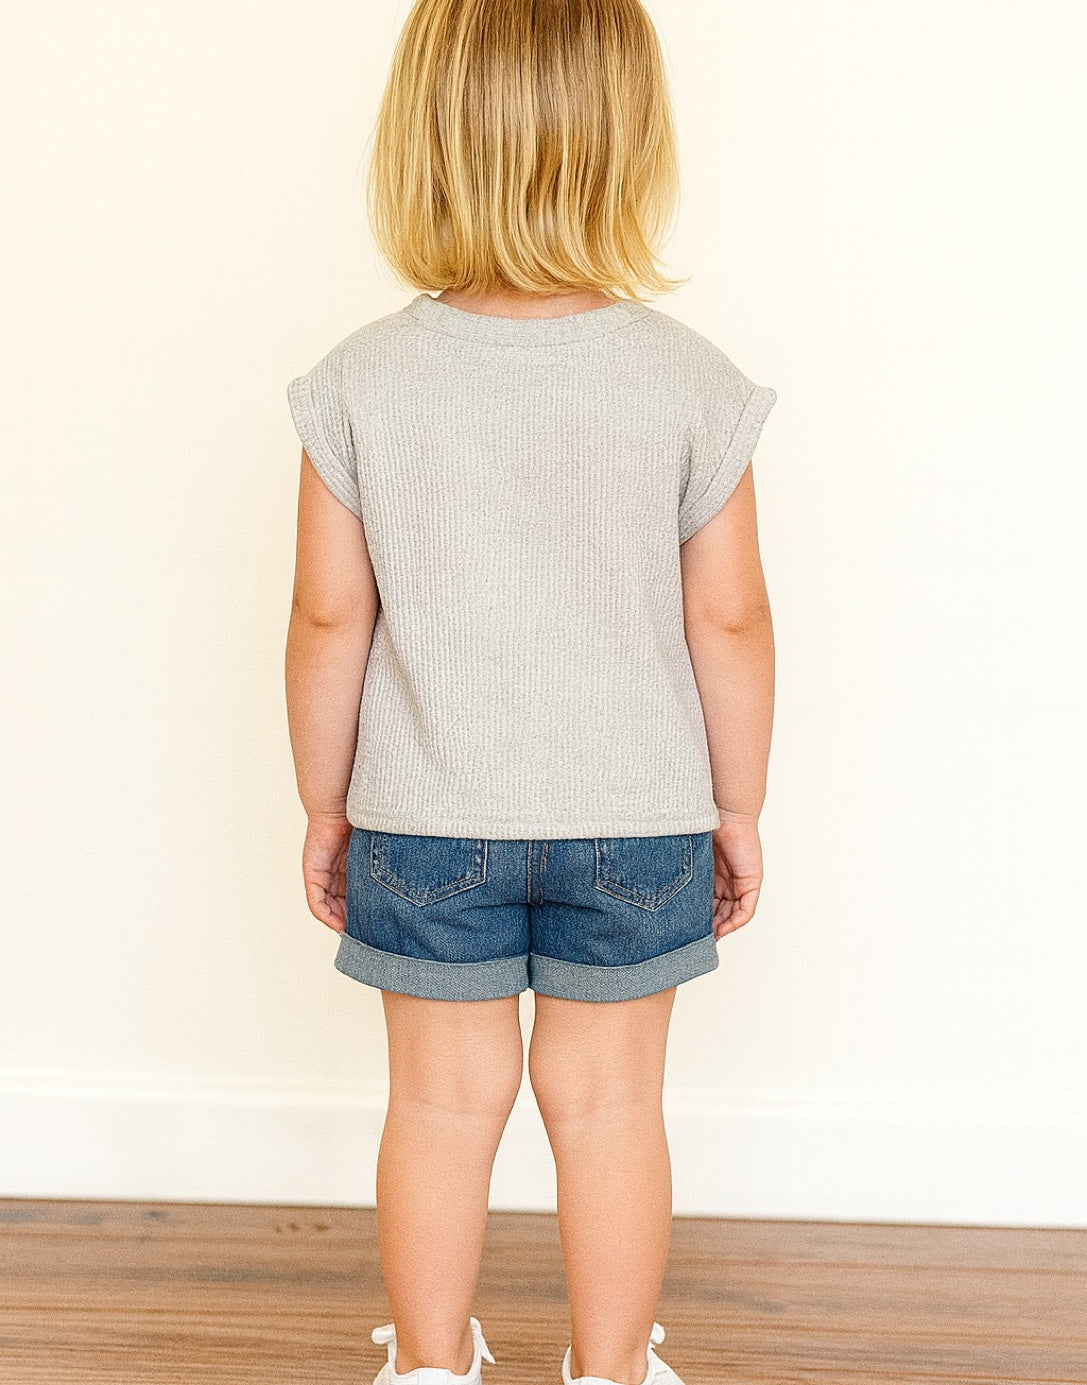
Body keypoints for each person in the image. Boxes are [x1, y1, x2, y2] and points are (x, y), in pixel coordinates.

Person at [284, 2, 777, 1383]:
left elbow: (331, 617)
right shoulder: (691, 385)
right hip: (639, 818)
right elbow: (729, 622)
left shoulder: (360, 385)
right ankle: (611, 1368)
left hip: (428, 815)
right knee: (611, 1104)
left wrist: (327, 803)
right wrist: (737, 805)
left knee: (442, 1107)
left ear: (425, 140)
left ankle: (430, 1366)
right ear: (629, 142)